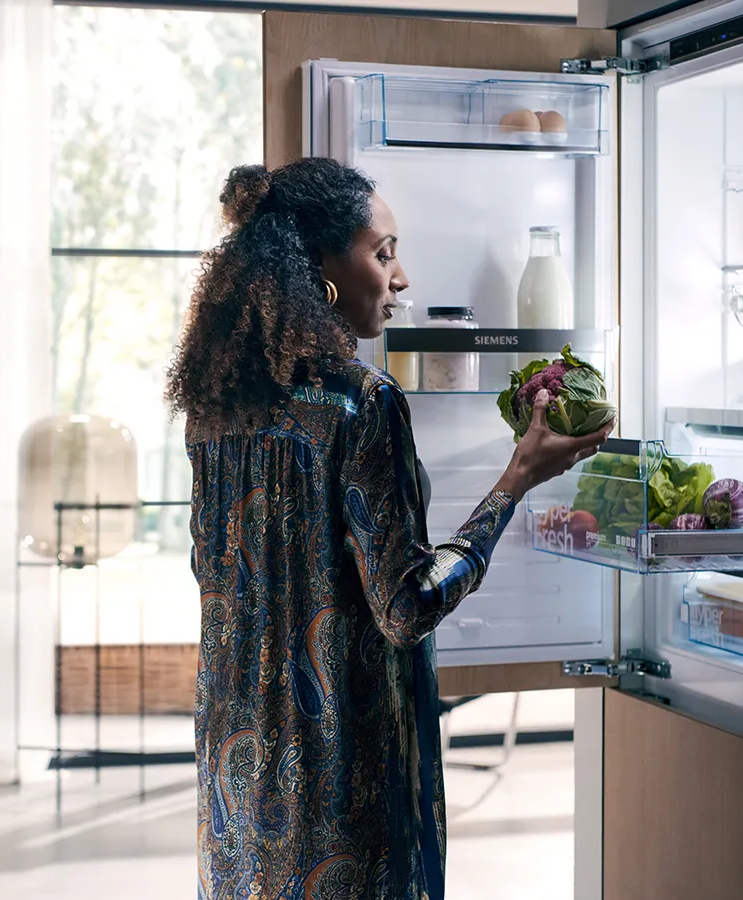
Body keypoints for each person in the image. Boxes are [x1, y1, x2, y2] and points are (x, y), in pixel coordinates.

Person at [166, 158, 613, 900]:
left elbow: (216, 579)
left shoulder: (213, 409)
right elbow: (406, 609)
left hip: (234, 770)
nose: (400, 277)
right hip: (342, 776)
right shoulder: (361, 401)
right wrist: (515, 481)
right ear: (323, 269)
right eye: (383, 252)